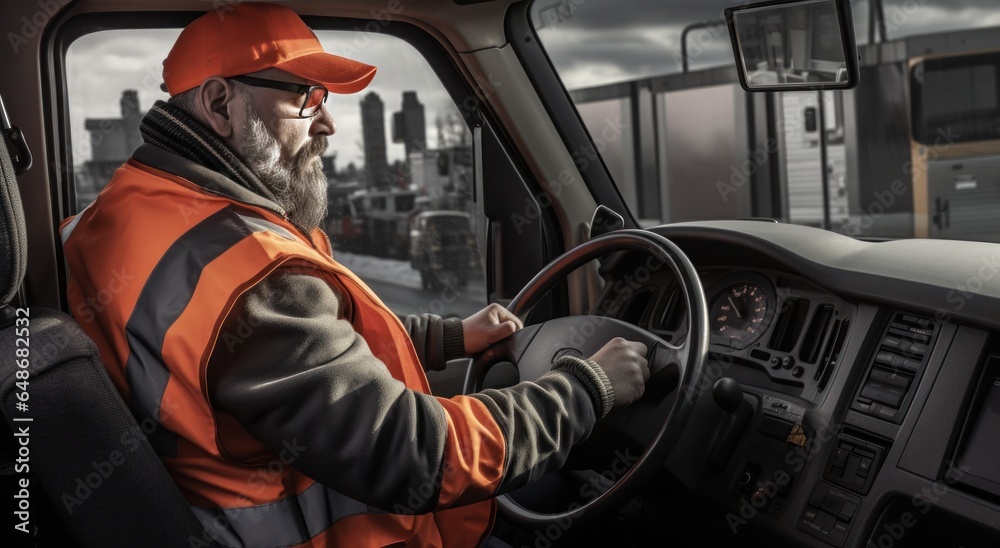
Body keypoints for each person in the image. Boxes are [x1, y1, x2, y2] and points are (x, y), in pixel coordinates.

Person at [60, 3, 650, 546]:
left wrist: (447, 337)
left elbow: (295, 352)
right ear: (219, 104)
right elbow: (415, 457)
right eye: (307, 97)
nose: (328, 125)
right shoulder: (249, 273)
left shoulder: (117, 213)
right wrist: (587, 387)